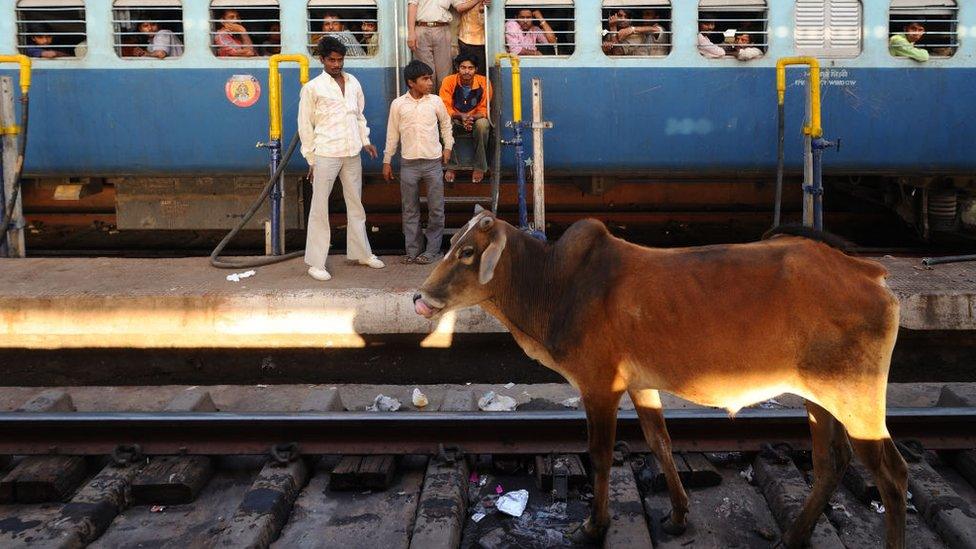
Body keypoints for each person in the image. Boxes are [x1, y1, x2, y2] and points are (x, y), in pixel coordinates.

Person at [298, 36, 385, 282]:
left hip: (352, 152)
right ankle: (316, 263)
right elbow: (305, 126)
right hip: (325, 153)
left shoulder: (353, 82)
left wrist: (366, 141)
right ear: (322, 60)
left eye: (340, 59)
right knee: (319, 208)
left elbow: (359, 116)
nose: (337, 64)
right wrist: (311, 160)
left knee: (356, 203)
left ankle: (361, 253)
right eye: (332, 60)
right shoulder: (313, 88)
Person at [383, 60, 453, 265]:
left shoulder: (436, 102)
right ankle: (412, 251)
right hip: (409, 164)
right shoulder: (398, 104)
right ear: (411, 82)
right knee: (410, 209)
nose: (430, 82)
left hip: (433, 163)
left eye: (430, 78)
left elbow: (446, 125)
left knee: (436, 208)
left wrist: (447, 147)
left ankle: (432, 251)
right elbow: (392, 134)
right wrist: (387, 160)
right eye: (425, 79)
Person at [439, 53, 491, 184]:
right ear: (458, 68)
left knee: (483, 125)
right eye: (463, 67)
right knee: (443, 122)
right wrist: (461, 117)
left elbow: (484, 108)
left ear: (476, 69)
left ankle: (479, 167)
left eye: (470, 68)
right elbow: (444, 107)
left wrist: (471, 118)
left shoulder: (484, 82)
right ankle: (451, 166)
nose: (466, 71)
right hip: (456, 118)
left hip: (475, 119)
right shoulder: (448, 81)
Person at [407, 0, 461, 91]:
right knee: (425, 72)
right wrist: (411, 33)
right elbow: (412, 6)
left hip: (443, 28)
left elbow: (460, 6)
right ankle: (427, 103)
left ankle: (444, 103)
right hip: (422, 28)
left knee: (445, 74)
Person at [456, 0, 489, 74]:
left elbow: (483, 9)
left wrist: (486, 5)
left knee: (480, 71)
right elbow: (460, 8)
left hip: (483, 40)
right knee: (466, 70)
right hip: (466, 39)